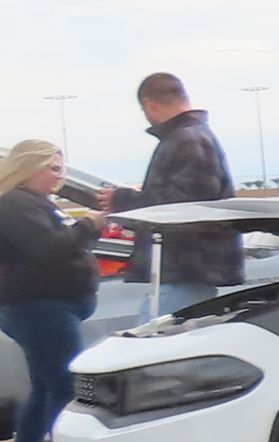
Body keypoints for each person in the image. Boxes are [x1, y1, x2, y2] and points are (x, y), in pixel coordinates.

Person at [0, 140, 97, 442]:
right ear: (28, 167)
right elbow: (49, 249)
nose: (60, 176)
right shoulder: (16, 204)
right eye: (54, 168)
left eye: (62, 169)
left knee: (47, 386)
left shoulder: (33, 203)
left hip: (45, 305)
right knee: (64, 386)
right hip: (38, 306)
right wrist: (88, 226)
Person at [95, 72, 240, 314]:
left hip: (184, 270)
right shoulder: (194, 137)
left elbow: (180, 207)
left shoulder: (187, 140)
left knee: (154, 335)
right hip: (189, 270)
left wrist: (122, 199)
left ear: (148, 103)